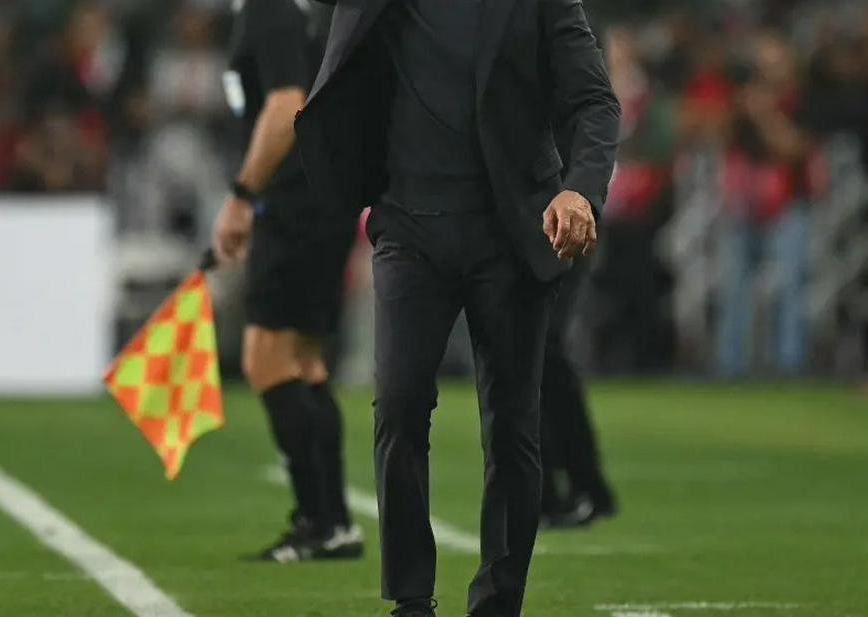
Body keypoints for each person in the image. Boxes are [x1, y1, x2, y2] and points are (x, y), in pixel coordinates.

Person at [296, 0, 620, 615]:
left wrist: (581, 189)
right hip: (408, 229)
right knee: (398, 407)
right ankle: (410, 601)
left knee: (512, 426)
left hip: (510, 233)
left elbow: (594, 101)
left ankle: (498, 602)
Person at [212, 0, 362, 563]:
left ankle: (319, 520)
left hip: (295, 203)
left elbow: (284, 105)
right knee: (304, 361)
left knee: (265, 358)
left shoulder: (269, 11)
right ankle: (333, 523)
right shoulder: (304, 13)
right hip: (323, 196)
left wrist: (241, 195)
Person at [539, 258, 618, 529]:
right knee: (542, 353)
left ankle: (547, 494)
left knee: (534, 350)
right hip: (546, 241)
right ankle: (584, 486)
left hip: (545, 242)